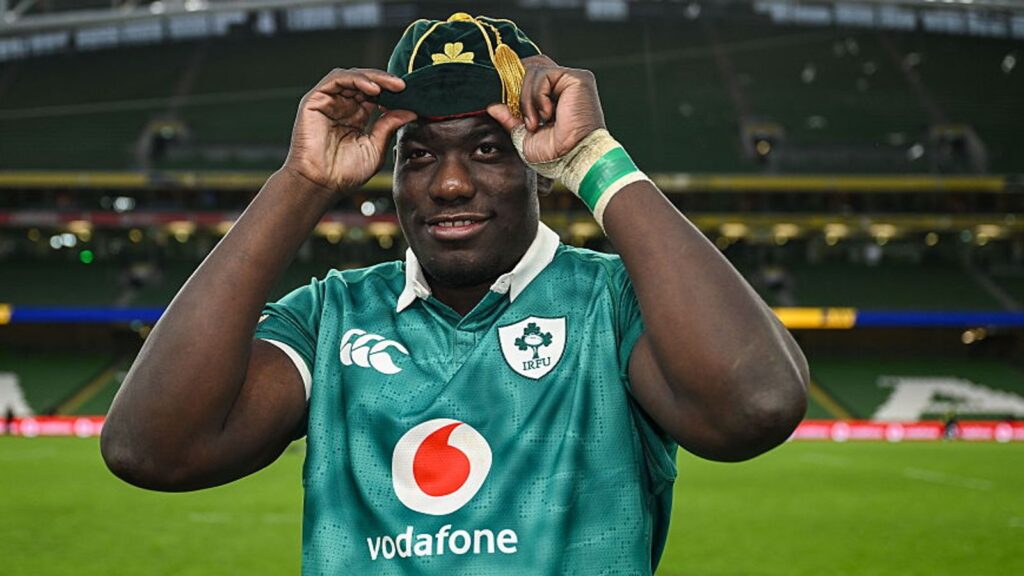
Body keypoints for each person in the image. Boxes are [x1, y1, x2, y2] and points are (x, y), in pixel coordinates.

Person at [101, 13, 808, 575]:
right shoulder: (331, 316)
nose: (448, 183)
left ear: (537, 163)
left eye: (488, 149)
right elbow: (151, 449)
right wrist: (302, 183)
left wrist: (593, 159)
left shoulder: (615, 304)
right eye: (418, 155)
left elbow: (756, 406)